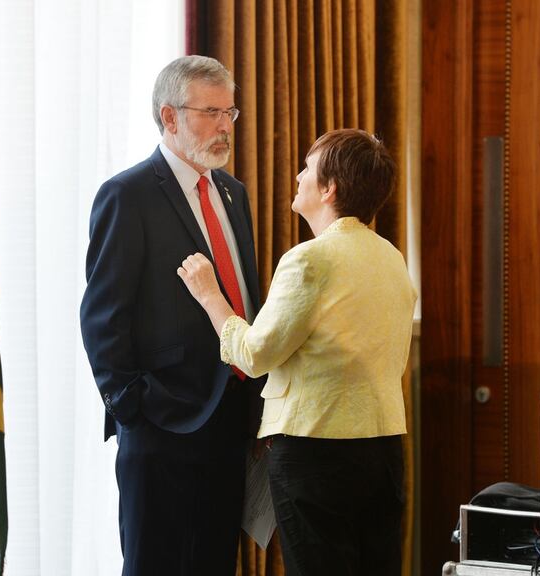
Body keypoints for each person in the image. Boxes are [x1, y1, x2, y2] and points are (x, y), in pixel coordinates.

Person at [178, 128, 416, 576]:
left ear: (329, 189)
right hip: (383, 448)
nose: (298, 175)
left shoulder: (309, 259)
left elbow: (253, 355)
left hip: (316, 450)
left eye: (308, 168)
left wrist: (210, 295)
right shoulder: (391, 258)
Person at [80, 55, 262, 576]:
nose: (225, 126)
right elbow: (102, 317)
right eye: (211, 113)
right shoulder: (127, 194)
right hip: (160, 424)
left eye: (231, 113)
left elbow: (243, 297)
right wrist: (132, 406)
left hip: (230, 420)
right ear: (169, 117)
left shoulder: (234, 193)